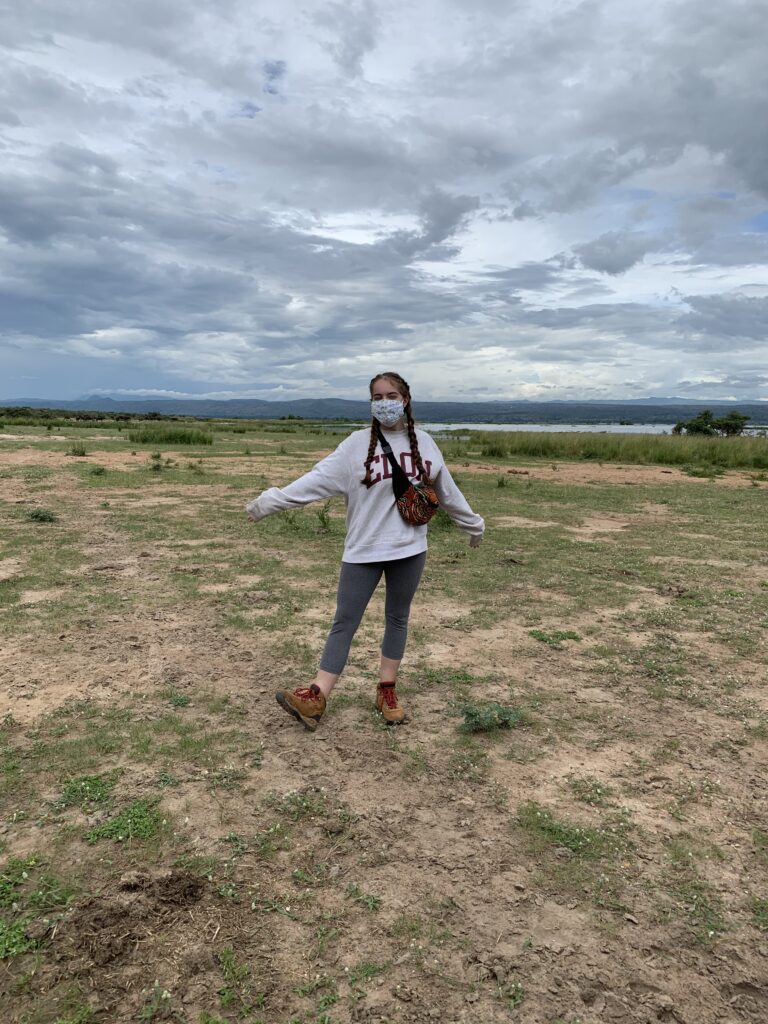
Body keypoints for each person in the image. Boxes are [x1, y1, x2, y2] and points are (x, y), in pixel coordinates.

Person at [245, 371, 484, 730]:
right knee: (344, 622)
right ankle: (316, 696)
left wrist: (473, 524)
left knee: (397, 618)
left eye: (391, 395)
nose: (384, 403)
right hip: (363, 550)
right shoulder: (354, 446)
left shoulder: (426, 444)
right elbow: (314, 481)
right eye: (377, 397)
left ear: (405, 400)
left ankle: (386, 690)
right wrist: (270, 502)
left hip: (409, 549)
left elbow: (448, 493)